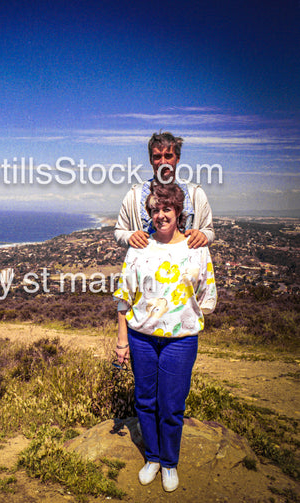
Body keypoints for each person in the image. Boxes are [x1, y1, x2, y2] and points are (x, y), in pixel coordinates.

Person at [113, 182, 217, 492]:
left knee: (171, 405)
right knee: (145, 401)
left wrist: (180, 313)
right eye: (155, 210)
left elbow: (206, 295)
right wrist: (122, 342)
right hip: (141, 338)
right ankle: (153, 457)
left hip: (181, 341)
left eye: (166, 209)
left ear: (179, 212)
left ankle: (170, 463)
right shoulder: (139, 247)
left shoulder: (197, 248)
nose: (160, 215)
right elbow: (124, 297)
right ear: (149, 214)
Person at [114, 132, 214, 249]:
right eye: (157, 157)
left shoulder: (196, 194)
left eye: (168, 156)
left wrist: (203, 236)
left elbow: (209, 231)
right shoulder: (134, 195)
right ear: (151, 160)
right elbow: (119, 231)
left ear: (177, 159)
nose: (162, 162)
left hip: (185, 264)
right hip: (148, 264)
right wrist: (130, 237)